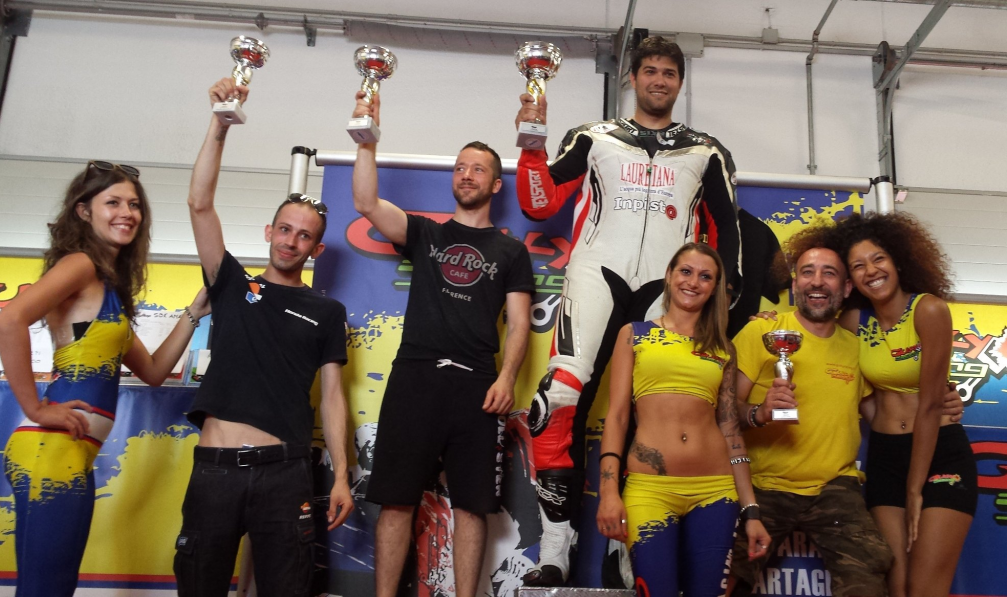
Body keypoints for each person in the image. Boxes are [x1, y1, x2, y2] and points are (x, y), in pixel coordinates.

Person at [514, 35, 742, 585]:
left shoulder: (707, 151)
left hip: (670, 285)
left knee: (660, 409)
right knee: (558, 398)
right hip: (597, 274)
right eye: (650, 71)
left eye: (669, 73)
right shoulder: (593, 136)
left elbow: (727, 236)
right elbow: (538, 203)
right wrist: (531, 146)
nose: (659, 80)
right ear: (632, 78)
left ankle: (628, 547)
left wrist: (723, 306)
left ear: (679, 83)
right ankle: (555, 548)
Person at [172, 78, 353, 596]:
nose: (291, 241)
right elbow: (199, 204)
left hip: (285, 475)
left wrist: (342, 475)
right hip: (215, 471)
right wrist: (220, 124)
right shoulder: (233, 285)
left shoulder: (327, 311)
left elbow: (333, 397)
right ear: (269, 232)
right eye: (285, 229)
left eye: (304, 235)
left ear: (316, 250)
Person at [0, 161, 210, 596]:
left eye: (134, 205)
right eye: (113, 202)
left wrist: (194, 311)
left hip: (70, 453)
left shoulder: (108, 288)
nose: (127, 213)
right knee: (45, 588)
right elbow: (8, 320)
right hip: (50, 450)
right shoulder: (80, 265)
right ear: (84, 211)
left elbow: (154, 372)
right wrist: (35, 407)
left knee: (54, 587)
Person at [350, 91, 533, 597]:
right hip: (415, 377)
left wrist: (506, 378)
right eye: (460, 168)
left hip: (477, 386)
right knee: (396, 500)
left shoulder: (511, 251)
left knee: (473, 506)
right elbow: (365, 203)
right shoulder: (425, 234)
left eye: (478, 169)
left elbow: (520, 324)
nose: (467, 175)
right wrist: (367, 139)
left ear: (495, 184)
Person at [728, 226, 894, 597]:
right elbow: (722, 414)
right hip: (763, 485)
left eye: (829, 273)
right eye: (807, 272)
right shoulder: (762, 333)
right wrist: (760, 412)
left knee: (870, 573)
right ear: (794, 284)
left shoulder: (856, 348)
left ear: (846, 288)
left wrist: (937, 404)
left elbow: (883, 414)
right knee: (723, 573)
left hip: (835, 489)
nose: (817, 281)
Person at [596, 243, 769, 597]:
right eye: (686, 271)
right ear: (669, 276)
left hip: (716, 491)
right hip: (650, 490)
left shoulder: (723, 348)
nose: (693, 282)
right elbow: (617, 417)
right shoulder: (635, 334)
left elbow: (731, 430)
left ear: (715, 288)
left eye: (705, 276)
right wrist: (608, 492)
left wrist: (751, 510)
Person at [833, 212, 975, 597]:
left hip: (939, 454)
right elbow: (851, 383)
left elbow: (930, 405)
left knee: (924, 588)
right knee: (896, 588)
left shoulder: (928, 310)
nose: (871, 270)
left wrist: (915, 490)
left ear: (897, 260)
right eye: (858, 266)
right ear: (850, 279)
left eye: (878, 258)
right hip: (885, 457)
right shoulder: (853, 322)